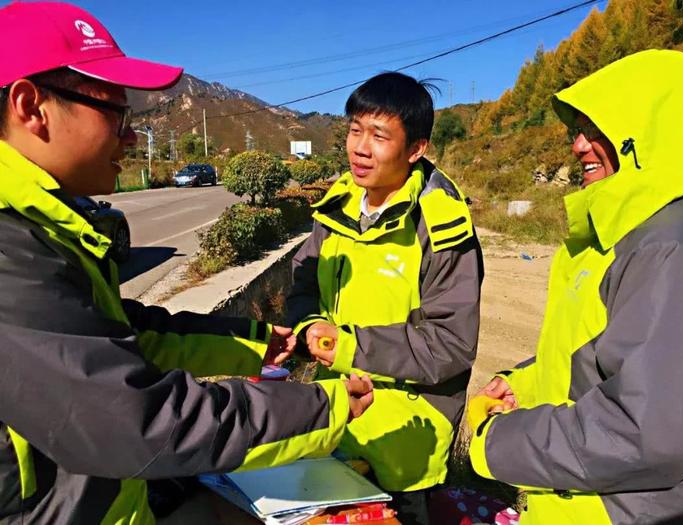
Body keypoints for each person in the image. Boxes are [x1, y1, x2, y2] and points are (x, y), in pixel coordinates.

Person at [0, 2, 374, 524]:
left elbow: (119, 338)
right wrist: (323, 408)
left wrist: (253, 342)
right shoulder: (9, 248)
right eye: (117, 113)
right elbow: (134, 420)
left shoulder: (42, 228)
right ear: (31, 106)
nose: (131, 137)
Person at [468, 49, 683, 524]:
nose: (578, 146)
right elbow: (591, 358)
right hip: (578, 501)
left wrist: (497, 442)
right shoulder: (615, 237)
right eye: (577, 130)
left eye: (597, 131)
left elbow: (644, 431)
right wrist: (521, 384)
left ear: (649, 132)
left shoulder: (674, 245)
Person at [287, 72, 483, 524]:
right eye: (355, 130)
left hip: (404, 435)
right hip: (339, 415)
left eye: (378, 135)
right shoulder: (337, 208)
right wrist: (309, 325)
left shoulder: (441, 225)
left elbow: (449, 343)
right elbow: (303, 282)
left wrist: (348, 346)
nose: (360, 147)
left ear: (416, 149)